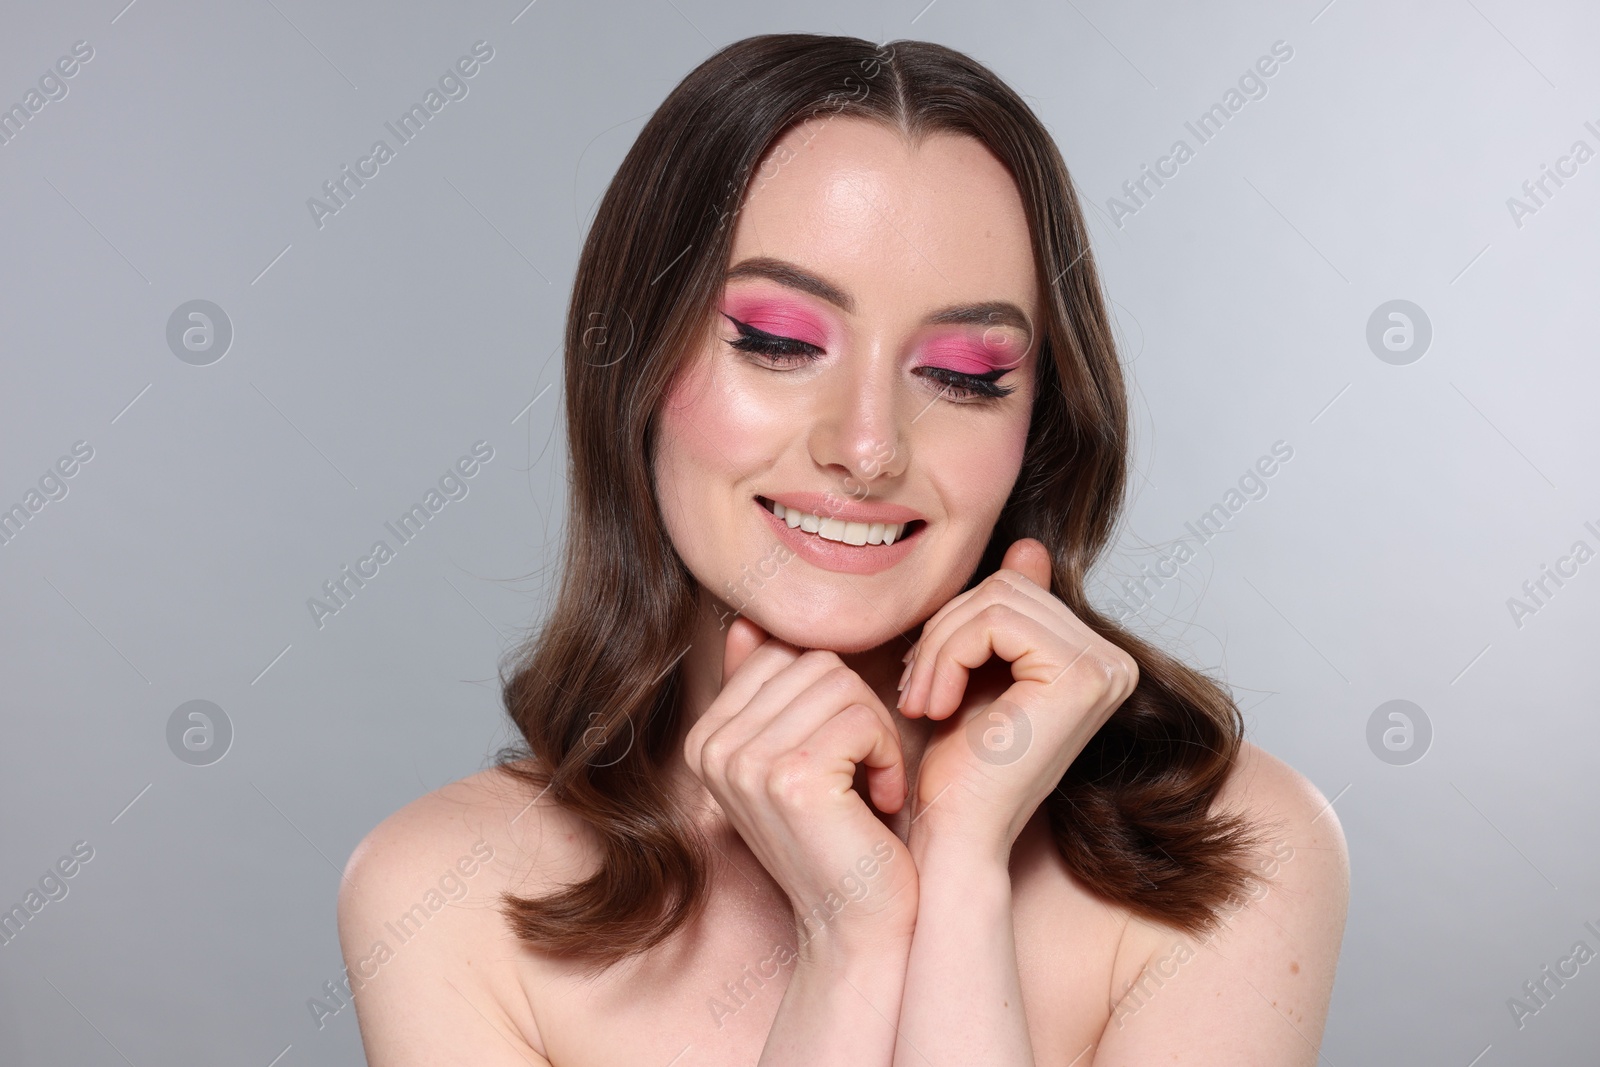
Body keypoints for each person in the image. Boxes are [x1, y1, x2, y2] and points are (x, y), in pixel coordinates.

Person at [337, 33, 1349, 1065]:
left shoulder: (1239, 845)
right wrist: (850, 940)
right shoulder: (446, 895)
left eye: (961, 371)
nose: (866, 446)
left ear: (1038, 421)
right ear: (633, 365)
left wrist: (960, 868)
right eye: (779, 342)